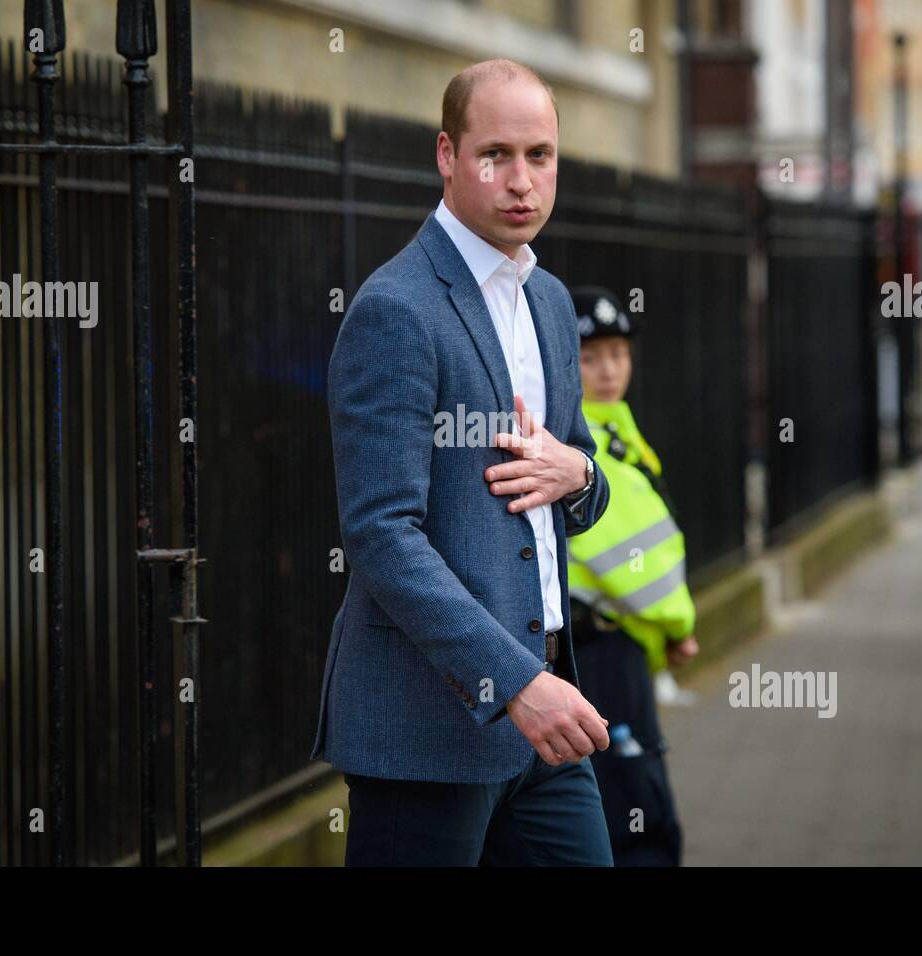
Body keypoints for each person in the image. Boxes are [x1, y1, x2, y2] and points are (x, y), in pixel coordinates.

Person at [310, 58, 617, 866]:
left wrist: (579, 476)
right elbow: (382, 535)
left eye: (540, 156)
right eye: (497, 155)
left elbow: (578, 465)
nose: (522, 180)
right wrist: (515, 684)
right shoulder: (395, 310)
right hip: (428, 734)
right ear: (448, 156)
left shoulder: (548, 299)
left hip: (546, 721)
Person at [565, 286, 699, 866]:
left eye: (618, 353)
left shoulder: (617, 426)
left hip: (616, 647)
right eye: (589, 357)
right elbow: (632, 561)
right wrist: (679, 626)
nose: (608, 370)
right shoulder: (584, 439)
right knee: (636, 818)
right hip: (603, 650)